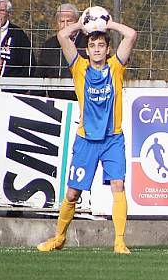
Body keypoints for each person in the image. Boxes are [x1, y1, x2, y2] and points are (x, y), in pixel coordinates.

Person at [36, 15, 138, 254]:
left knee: (118, 185)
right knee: (72, 194)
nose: (96, 49)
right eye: (92, 46)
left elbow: (131, 35)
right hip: (86, 140)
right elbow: (62, 36)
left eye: (101, 45)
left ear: (108, 48)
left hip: (113, 138)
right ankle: (59, 238)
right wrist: (82, 25)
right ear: (87, 50)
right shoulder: (79, 68)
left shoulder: (116, 67)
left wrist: (108, 24)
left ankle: (119, 241)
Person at [38, 3, 87, 78]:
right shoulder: (49, 45)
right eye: (62, 21)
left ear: (77, 22)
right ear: (57, 23)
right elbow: (40, 74)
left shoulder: (88, 42)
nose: (65, 25)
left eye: (69, 21)